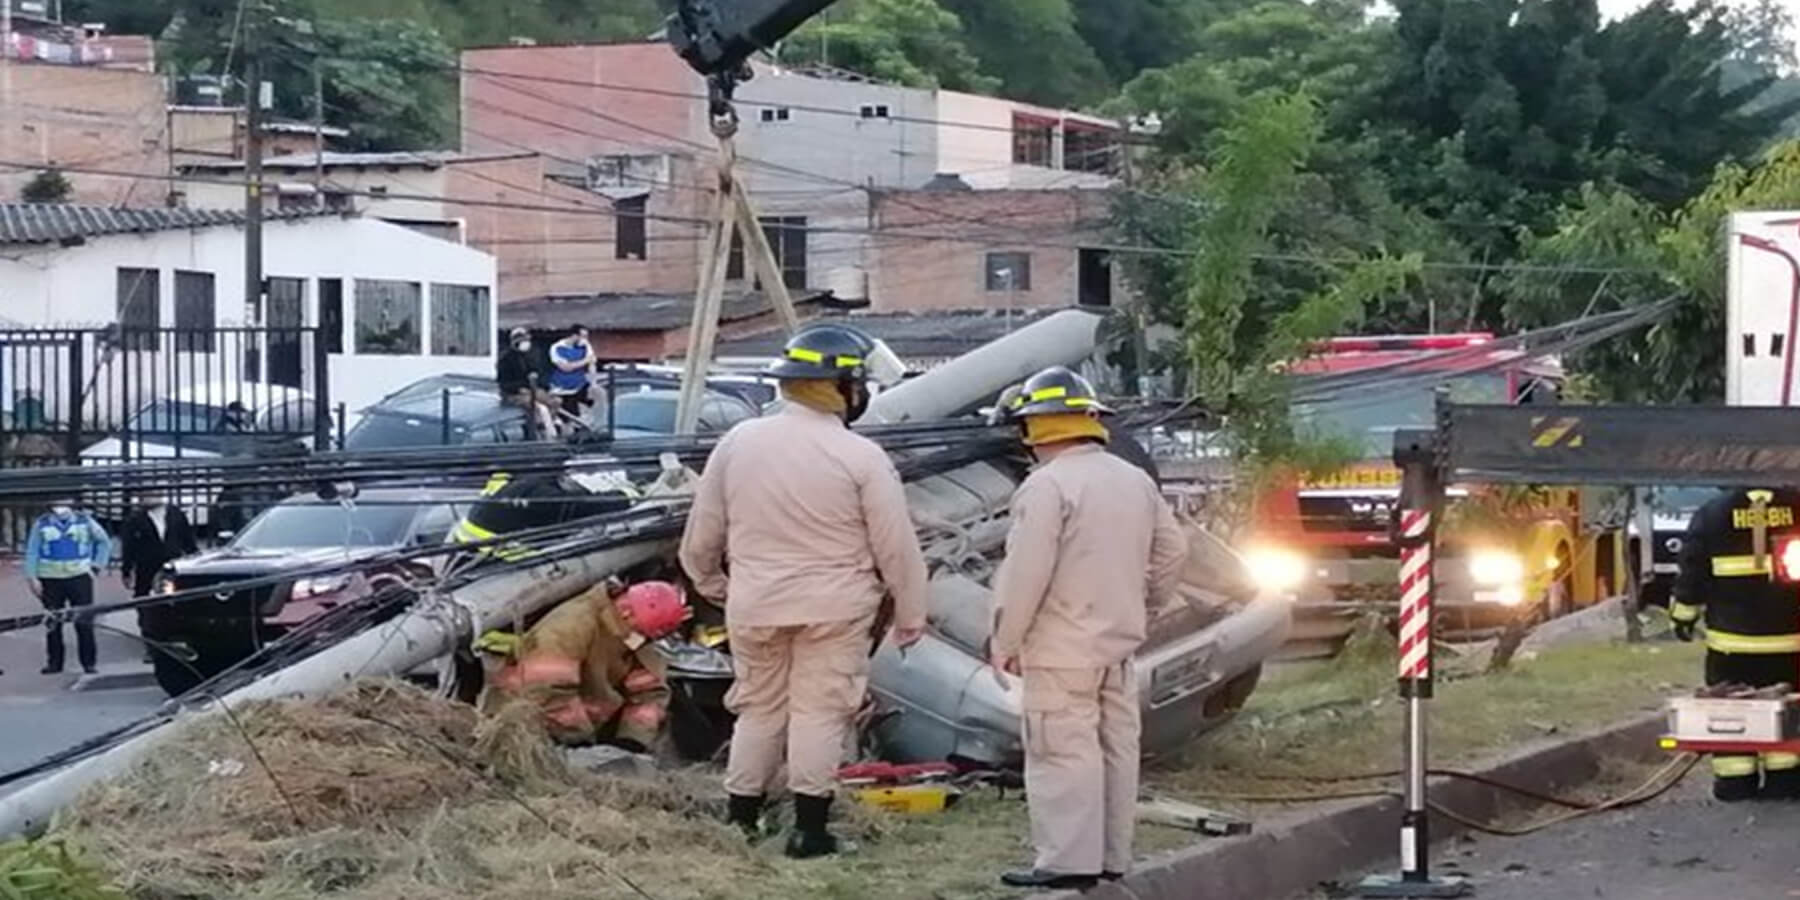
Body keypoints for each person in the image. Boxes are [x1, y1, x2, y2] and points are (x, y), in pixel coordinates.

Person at [679, 323, 930, 859]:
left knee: (758, 709)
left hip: (755, 603)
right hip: (834, 608)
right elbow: (896, 547)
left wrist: (715, 584)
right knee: (819, 712)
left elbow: (702, 533)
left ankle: (741, 819)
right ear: (841, 387)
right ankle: (809, 831)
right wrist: (911, 611)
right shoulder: (860, 456)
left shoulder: (738, 442)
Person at [987, 366, 1188, 890]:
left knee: (1062, 752)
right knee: (1116, 750)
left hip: (1060, 648)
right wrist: (1145, 606)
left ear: (1035, 428)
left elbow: (1026, 575)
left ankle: (1066, 862)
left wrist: (1005, 641)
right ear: (1092, 420)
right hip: (1118, 646)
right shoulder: (1132, 479)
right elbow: (1173, 552)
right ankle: (1111, 858)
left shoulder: (1046, 486)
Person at [1669, 486, 1800, 802]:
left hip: (1731, 644)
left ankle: (1734, 783)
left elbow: (1692, 573)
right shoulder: (1797, 506)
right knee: (1788, 712)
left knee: (1730, 712)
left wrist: (1682, 617)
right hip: (1790, 642)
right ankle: (1783, 781)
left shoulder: (1712, 514)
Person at [483, 580, 690, 750]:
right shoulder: (571, 625)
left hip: (586, 727)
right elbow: (546, 690)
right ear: (626, 614)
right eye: (641, 634)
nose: (642, 640)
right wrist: (580, 741)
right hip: (525, 724)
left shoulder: (639, 636)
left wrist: (631, 741)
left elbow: (650, 694)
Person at [23, 497, 113, 676]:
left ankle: (89, 663)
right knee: (52, 622)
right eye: (56, 500)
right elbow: (32, 551)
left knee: (84, 621)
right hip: (50, 578)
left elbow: (104, 542)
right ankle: (54, 663)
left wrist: (96, 566)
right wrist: (32, 577)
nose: (60, 505)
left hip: (79, 577)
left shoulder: (84, 521)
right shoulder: (42, 524)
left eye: (64, 500)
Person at [118, 491, 199, 660]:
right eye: (143, 496)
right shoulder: (134, 519)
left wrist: (195, 560)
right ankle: (151, 646)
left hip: (173, 566)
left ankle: (178, 641)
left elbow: (188, 541)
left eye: (150, 495)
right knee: (146, 605)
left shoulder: (175, 514)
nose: (145, 499)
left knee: (174, 603)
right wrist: (126, 571)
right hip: (146, 568)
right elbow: (128, 547)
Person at [497, 327, 555, 439]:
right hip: (512, 394)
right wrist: (519, 388)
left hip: (531, 389)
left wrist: (541, 384)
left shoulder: (529, 356)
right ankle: (538, 432)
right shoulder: (505, 359)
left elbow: (537, 373)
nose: (527, 343)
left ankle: (551, 424)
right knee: (538, 408)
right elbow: (503, 383)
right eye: (523, 340)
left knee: (554, 401)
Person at [548, 325, 598, 421]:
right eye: (583, 336)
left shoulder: (585, 346)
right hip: (562, 387)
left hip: (580, 384)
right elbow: (565, 367)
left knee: (597, 397)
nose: (585, 339)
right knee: (569, 414)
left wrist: (593, 383)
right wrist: (585, 361)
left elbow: (592, 363)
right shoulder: (557, 347)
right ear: (574, 336)